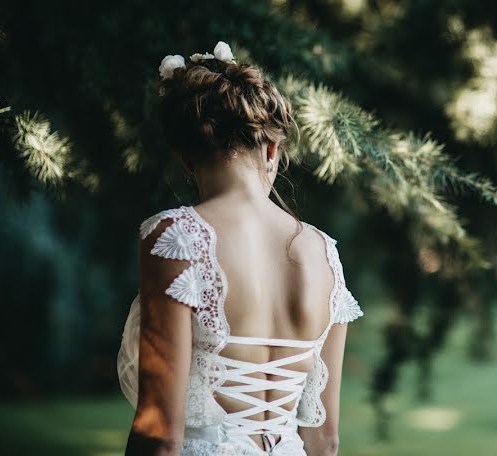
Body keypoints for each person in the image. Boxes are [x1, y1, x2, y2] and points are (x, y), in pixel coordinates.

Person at [116, 42, 363, 456]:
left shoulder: (179, 237)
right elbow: (324, 438)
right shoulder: (324, 253)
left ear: (187, 159)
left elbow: (160, 433)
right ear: (271, 149)